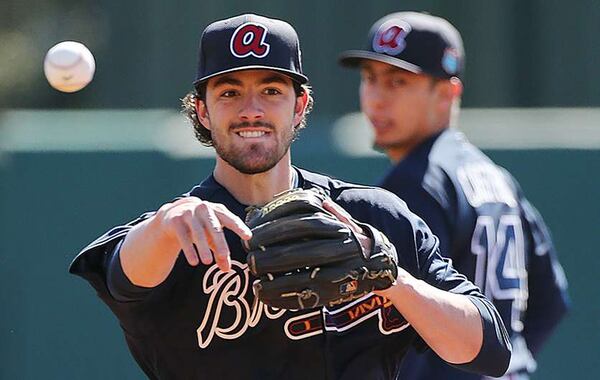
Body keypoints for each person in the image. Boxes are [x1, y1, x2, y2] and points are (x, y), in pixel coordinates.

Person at [70, 13, 511, 380]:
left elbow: (488, 349)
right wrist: (164, 228)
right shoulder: (183, 232)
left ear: (299, 106)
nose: (251, 110)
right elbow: (121, 279)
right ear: (202, 110)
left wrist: (390, 276)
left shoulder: (370, 219)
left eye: (271, 90)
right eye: (229, 92)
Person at [339, 11, 569, 380]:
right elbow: (552, 299)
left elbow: (393, 320)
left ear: (447, 93)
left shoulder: (418, 182)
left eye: (398, 82)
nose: (376, 99)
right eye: (370, 79)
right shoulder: (496, 178)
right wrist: (505, 365)